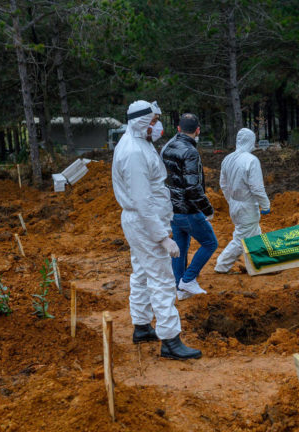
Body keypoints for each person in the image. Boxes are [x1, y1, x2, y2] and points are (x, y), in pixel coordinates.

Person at [111, 100, 201, 360]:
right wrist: (162, 237)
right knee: (162, 279)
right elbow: (142, 201)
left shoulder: (139, 145)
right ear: (141, 122)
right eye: (153, 121)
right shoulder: (134, 152)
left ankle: (141, 326)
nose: (157, 126)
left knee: (141, 273)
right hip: (144, 223)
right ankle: (170, 340)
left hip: (141, 222)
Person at [160, 113, 218, 300]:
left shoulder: (168, 147)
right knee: (210, 243)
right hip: (187, 209)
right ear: (198, 130)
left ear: (178, 129)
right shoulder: (190, 152)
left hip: (172, 208)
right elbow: (193, 187)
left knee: (180, 249)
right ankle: (188, 280)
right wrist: (207, 209)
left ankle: (179, 288)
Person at [214, 128, 271, 274]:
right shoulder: (251, 160)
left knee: (255, 234)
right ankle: (222, 265)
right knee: (241, 238)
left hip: (235, 203)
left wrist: (231, 200)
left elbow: (223, 184)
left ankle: (259, 264)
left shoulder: (227, 159)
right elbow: (257, 188)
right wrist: (265, 204)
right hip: (247, 205)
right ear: (251, 141)